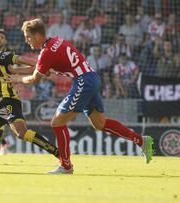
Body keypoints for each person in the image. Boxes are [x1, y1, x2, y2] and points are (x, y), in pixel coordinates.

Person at [8, 18, 154, 174]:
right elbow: (43, 70)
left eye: (28, 37)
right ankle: (141, 141)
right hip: (92, 77)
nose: (27, 41)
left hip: (83, 81)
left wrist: (17, 79)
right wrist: (16, 71)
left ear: (37, 35)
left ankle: (66, 165)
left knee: (57, 122)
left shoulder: (47, 53)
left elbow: (36, 78)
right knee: (99, 123)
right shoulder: (56, 41)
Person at [0, 33, 60, 172]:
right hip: (0, 105)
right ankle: (59, 154)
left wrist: (41, 66)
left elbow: (19, 59)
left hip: (8, 100)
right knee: (21, 133)